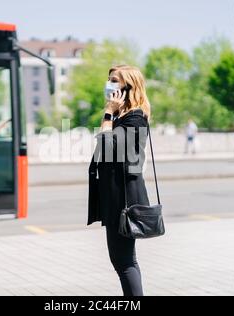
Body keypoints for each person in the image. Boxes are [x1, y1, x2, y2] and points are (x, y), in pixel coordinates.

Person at [88, 65, 152, 297]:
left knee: (124, 263)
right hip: (115, 196)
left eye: (115, 80)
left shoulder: (135, 118)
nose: (110, 84)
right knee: (125, 261)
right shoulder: (122, 117)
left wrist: (107, 114)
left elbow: (107, 149)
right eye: (109, 79)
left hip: (123, 199)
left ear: (128, 87)